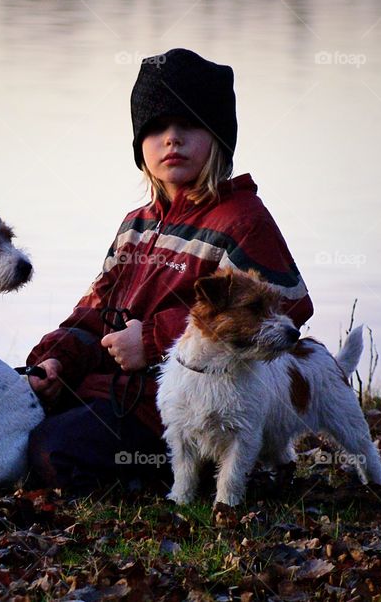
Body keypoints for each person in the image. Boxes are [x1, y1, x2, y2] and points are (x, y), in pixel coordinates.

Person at [25, 48, 313, 493]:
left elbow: (286, 311)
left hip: (181, 406)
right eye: (156, 128)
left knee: (50, 453)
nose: (171, 138)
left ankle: (175, 477)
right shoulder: (136, 224)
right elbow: (94, 311)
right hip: (109, 389)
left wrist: (153, 340)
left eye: (188, 124)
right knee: (11, 418)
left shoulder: (241, 220)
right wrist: (58, 357)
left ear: (217, 136)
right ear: (141, 145)